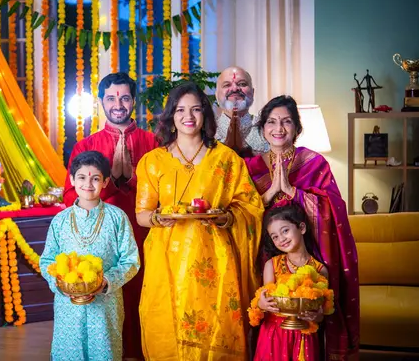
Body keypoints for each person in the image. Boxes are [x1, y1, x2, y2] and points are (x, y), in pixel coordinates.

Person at [135, 81, 264, 360]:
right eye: (180, 110)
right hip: (167, 256)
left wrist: (227, 217)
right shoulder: (152, 161)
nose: (188, 116)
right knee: (166, 320)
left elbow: (251, 206)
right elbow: (142, 214)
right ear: (171, 116)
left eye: (195, 109)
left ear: (205, 114)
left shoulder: (227, 160)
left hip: (215, 258)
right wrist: (159, 217)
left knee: (215, 320)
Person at [245, 95, 360, 360]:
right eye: (271, 122)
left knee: (306, 319)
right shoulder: (250, 168)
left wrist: (293, 192)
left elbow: (333, 209)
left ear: (297, 128)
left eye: (286, 121)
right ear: (263, 129)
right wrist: (268, 194)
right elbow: (242, 213)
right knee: (269, 320)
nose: (279, 128)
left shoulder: (314, 163)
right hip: (263, 257)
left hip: (307, 254)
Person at [63, 72, 157, 359]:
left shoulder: (152, 143)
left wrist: (130, 181)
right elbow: (70, 198)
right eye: (111, 98)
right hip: (100, 243)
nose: (119, 104)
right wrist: (111, 182)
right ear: (101, 102)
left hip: (146, 237)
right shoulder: (85, 146)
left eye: (125, 97)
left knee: (144, 298)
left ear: (134, 102)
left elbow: (164, 192)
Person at [40, 150, 140, 361]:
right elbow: (47, 260)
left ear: (104, 182)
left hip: (106, 305)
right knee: (69, 352)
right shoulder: (60, 220)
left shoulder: (117, 217)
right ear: (72, 180)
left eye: (95, 178)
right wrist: (59, 284)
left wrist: (106, 282)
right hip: (68, 306)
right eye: (82, 178)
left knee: (104, 352)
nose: (88, 184)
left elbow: (131, 260)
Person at [252, 204, 331, 360]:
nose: (281, 239)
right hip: (274, 334)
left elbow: (322, 311)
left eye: (285, 231)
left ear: (301, 228)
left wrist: (317, 317)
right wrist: (261, 305)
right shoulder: (272, 265)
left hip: (304, 336)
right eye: (274, 236)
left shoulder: (319, 269)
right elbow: (265, 299)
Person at [214, 66, 269, 156]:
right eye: (227, 85)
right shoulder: (207, 130)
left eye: (242, 84)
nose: (235, 89)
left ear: (253, 93)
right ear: (216, 96)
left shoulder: (267, 128)